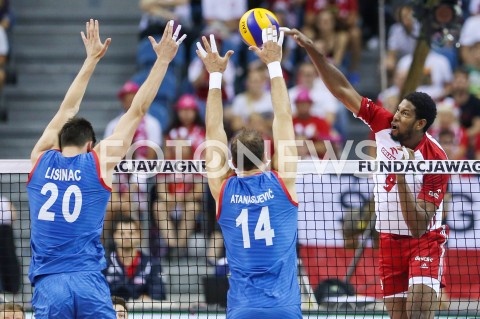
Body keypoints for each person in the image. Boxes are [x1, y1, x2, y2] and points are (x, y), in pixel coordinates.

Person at [285, 28, 450, 319]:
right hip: (388, 240)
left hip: (424, 240)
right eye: (398, 110)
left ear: (421, 123)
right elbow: (343, 90)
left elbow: (418, 225)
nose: (396, 116)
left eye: (406, 113)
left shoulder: (436, 158)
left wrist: (400, 173)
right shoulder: (384, 124)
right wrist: (312, 49)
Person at [26, 19, 185, 318]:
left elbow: (67, 110)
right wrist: (162, 60)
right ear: (90, 144)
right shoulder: (98, 162)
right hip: (88, 281)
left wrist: (90, 60)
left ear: (59, 140)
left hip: (49, 283)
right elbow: (137, 110)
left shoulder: (39, 158)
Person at [196, 26, 301, 318]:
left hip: (242, 309)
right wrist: (275, 65)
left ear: (231, 161)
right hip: (283, 308)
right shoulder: (283, 180)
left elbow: (213, 130)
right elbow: (283, 117)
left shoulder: (223, 189)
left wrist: (215, 76)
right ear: (267, 155)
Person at [105, 215, 165, 301]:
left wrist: (147, 299)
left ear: (139, 236)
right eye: (121, 233)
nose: (126, 237)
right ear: (114, 236)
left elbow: (159, 293)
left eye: (131, 233)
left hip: (142, 312)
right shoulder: (104, 263)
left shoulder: (153, 263)